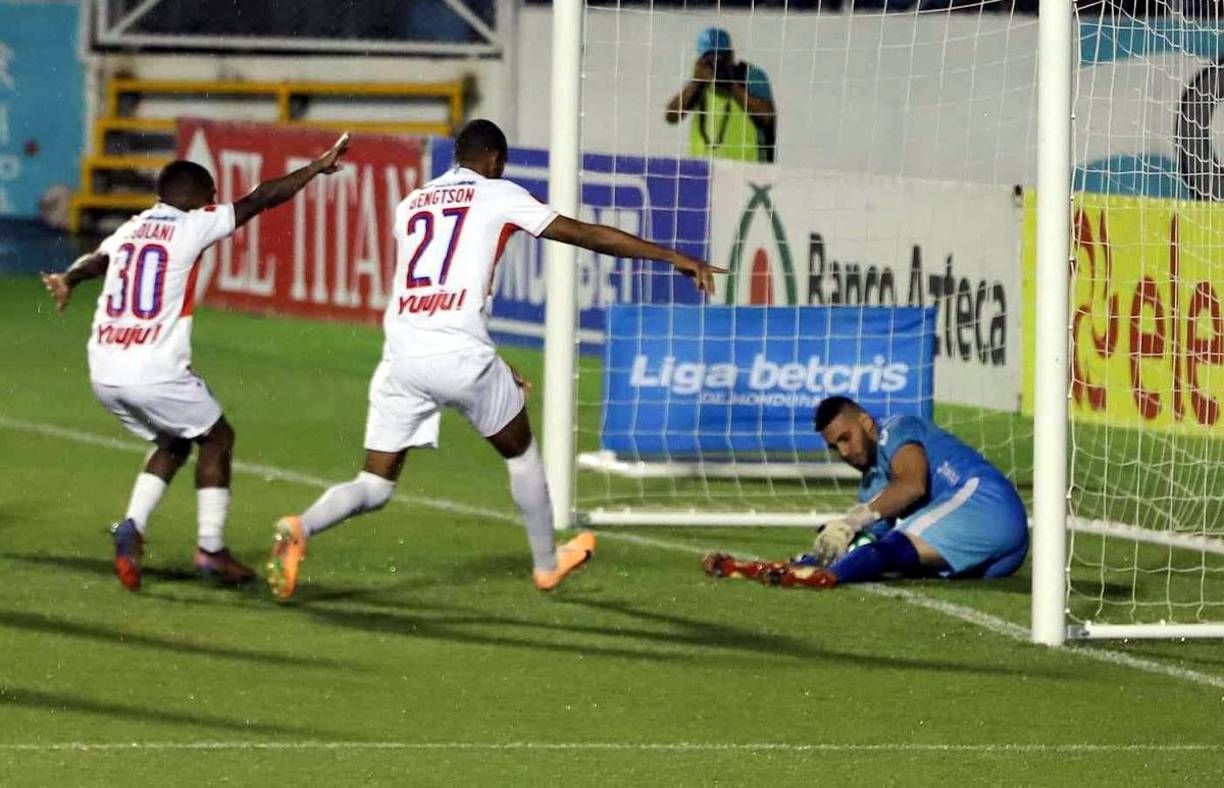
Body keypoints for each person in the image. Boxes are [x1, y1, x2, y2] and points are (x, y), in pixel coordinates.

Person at [266, 119, 724, 600]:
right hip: (460, 359)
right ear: (496, 161)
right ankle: (547, 564)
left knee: (374, 484)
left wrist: (497, 362)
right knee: (521, 453)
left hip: (402, 357)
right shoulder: (497, 193)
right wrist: (674, 257)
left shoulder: (411, 204)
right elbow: (586, 234)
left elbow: (437, 296)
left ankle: (302, 526)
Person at [40, 134, 350, 591]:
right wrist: (315, 168)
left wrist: (68, 278)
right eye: (211, 194)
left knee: (175, 440)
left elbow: (97, 261)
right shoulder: (193, 224)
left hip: (104, 368)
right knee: (218, 437)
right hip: (152, 368)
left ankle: (132, 525)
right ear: (196, 196)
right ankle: (210, 548)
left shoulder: (131, 227)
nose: (216, 201)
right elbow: (262, 197)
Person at [774, 396, 1029, 588]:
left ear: (866, 423)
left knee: (890, 550)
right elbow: (868, 543)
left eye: (845, 438)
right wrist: (811, 559)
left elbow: (911, 485)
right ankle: (817, 572)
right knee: (887, 556)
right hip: (1000, 558)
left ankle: (824, 580)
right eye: (834, 446)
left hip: (986, 505)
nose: (843, 452)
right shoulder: (872, 486)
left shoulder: (897, 429)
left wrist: (850, 522)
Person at [665, 27, 776, 163]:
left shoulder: (750, 76)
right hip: (703, 171)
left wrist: (732, 87)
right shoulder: (700, 84)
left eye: (721, 59)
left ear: (731, 56)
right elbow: (671, 116)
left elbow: (766, 116)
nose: (716, 66)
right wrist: (695, 83)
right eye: (710, 60)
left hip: (746, 170)